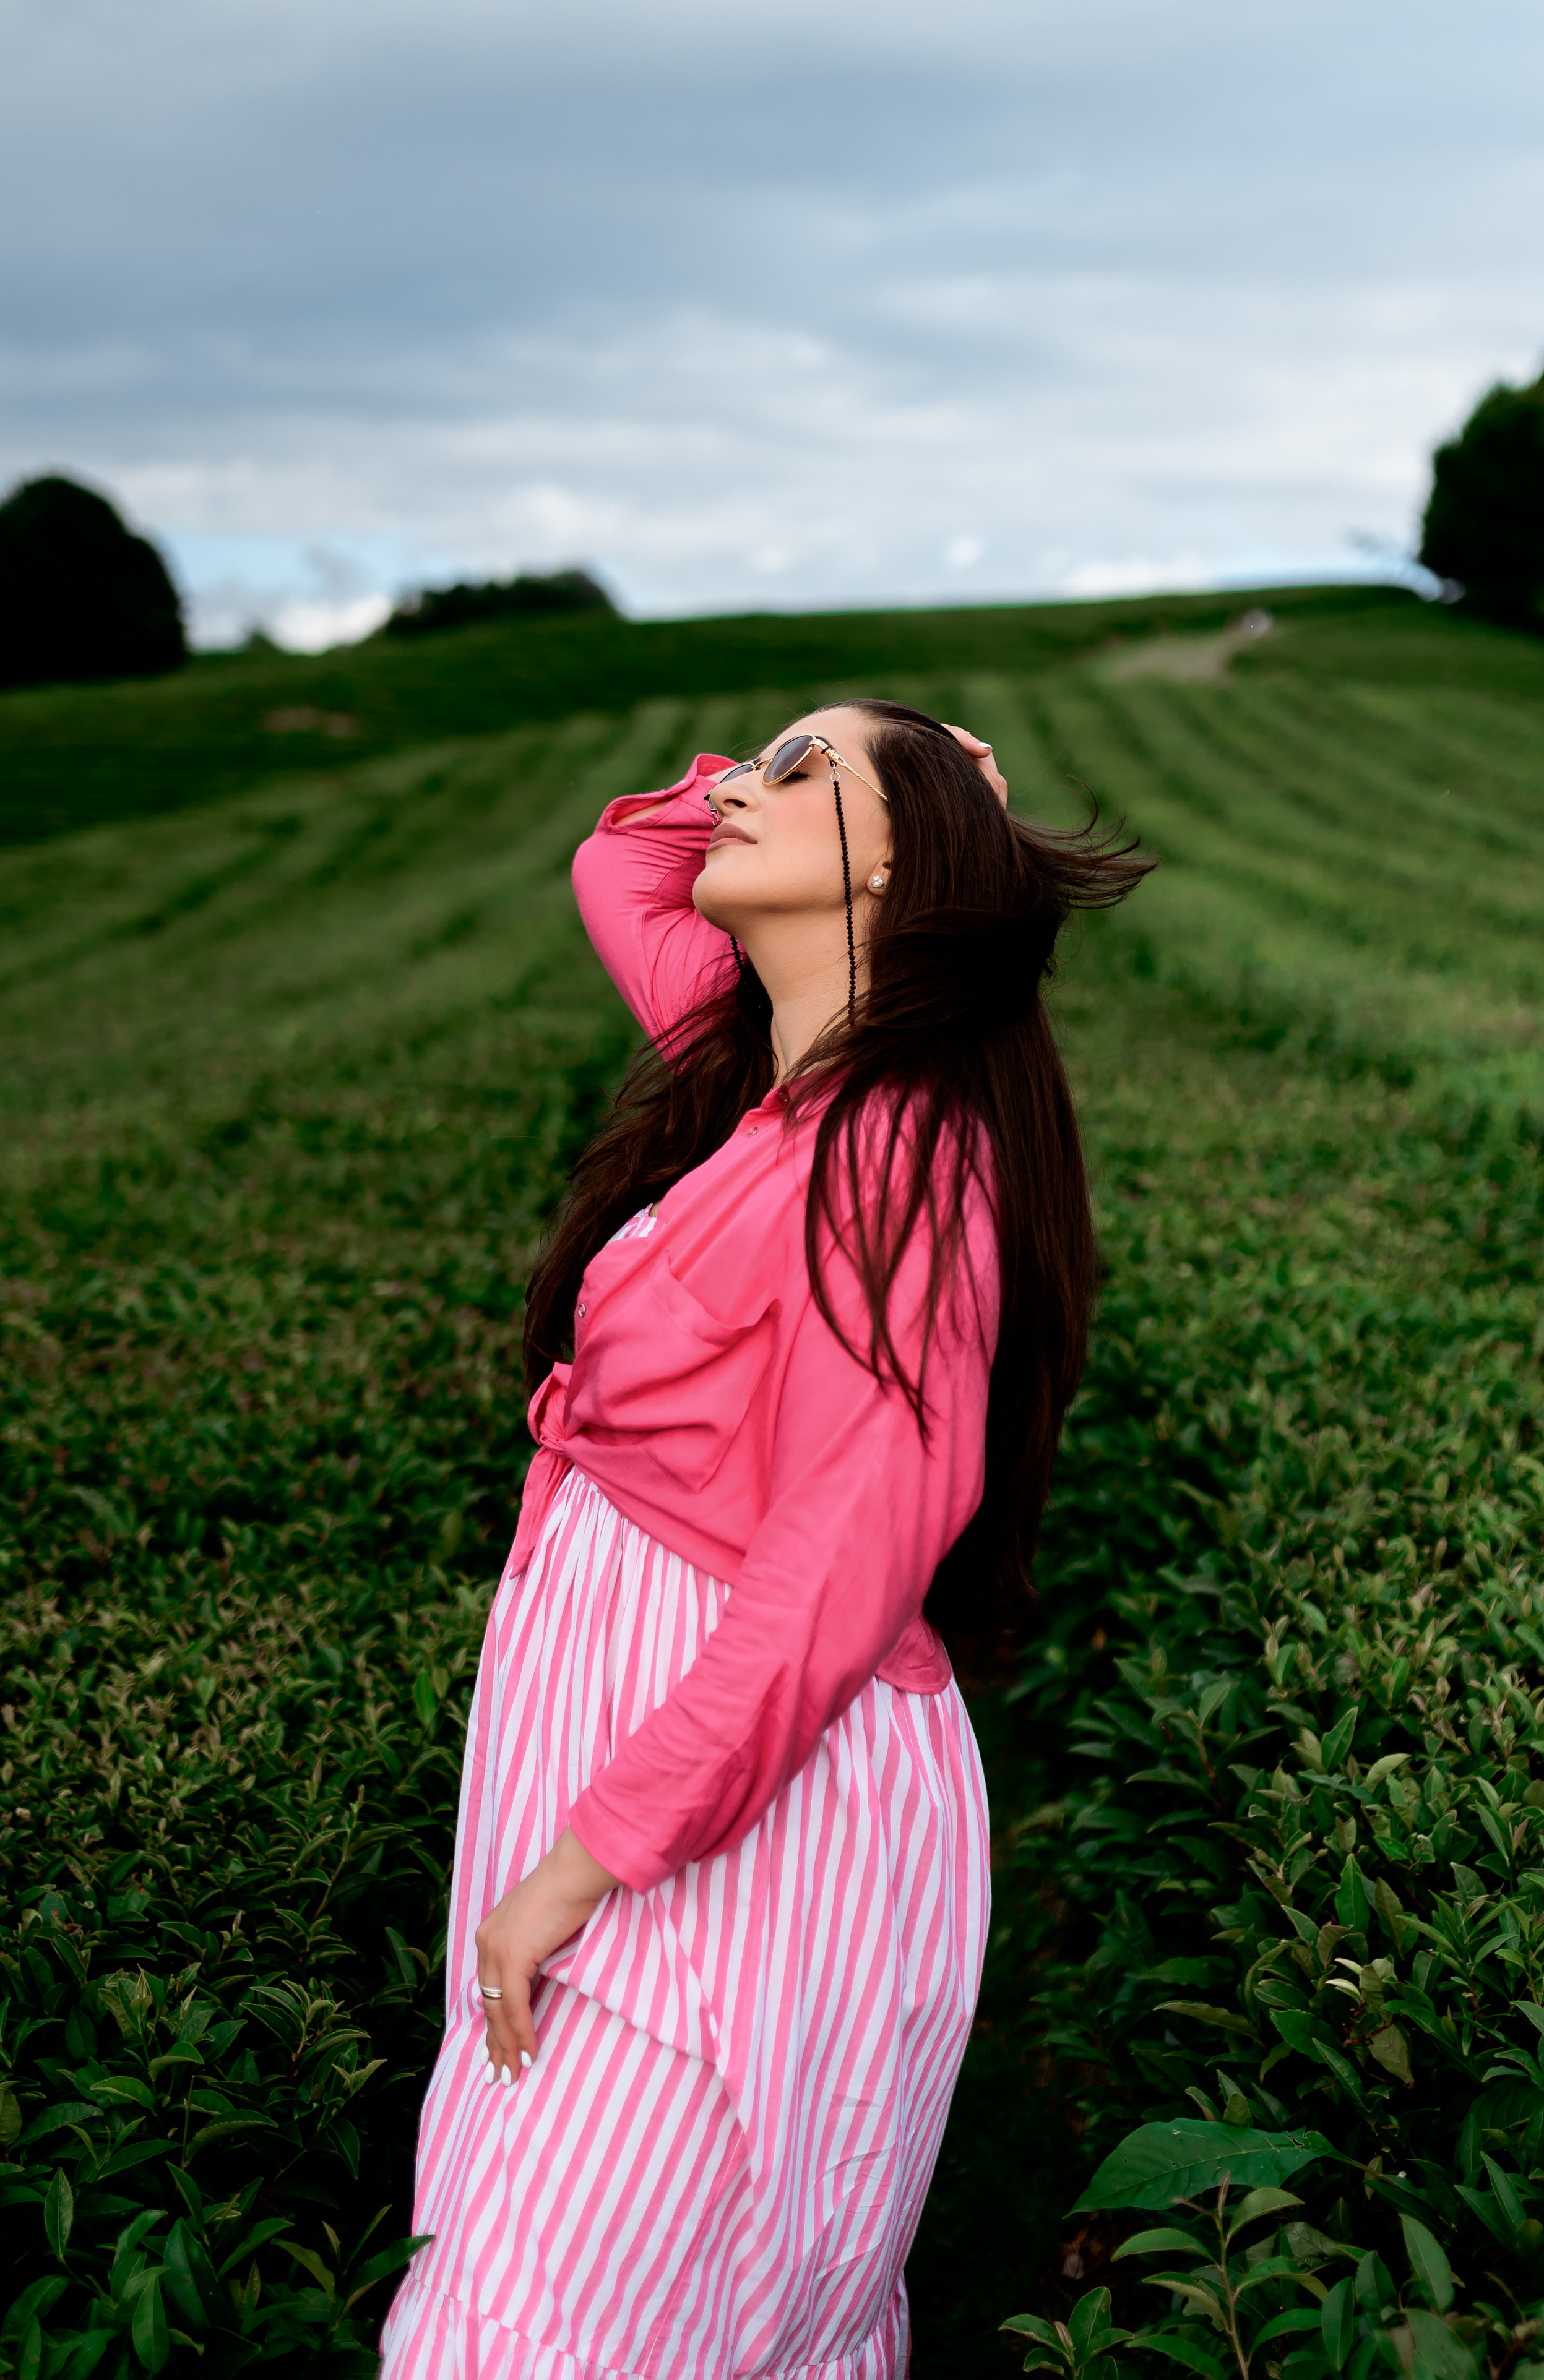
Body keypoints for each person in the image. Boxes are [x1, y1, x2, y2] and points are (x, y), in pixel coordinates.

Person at [381, 701, 1152, 2378]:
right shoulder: (754, 1074)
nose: (729, 784)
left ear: (897, 856)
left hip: (739, 1797)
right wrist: (869, 764)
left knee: (541, 2325)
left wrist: (587, 1860)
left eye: (796, 776)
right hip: (619, 1733)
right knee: (589, 2287)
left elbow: (842, 1569)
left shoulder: (905, 1156)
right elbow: (619, 861)